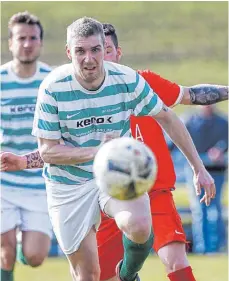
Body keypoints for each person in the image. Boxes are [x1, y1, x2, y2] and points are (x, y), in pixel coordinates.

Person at [0, 21, 227, 281]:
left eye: (100, 50)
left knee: (160, 245)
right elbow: (50, 151)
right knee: (89, 275)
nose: (92, 59)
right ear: (69, 53)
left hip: (140, 184)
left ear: (117, 53)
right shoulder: (54, 87)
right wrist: (26, 160)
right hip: (75, 184)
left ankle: (128, 274)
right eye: (82, 51)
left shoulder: (134, 81)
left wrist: (199, 168)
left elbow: (183, 105)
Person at [0, 11, 52, 281]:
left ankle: (24, 244)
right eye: (21, 38)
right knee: (4, 253)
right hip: (3, 179)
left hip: (39, 181)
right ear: (10, 43)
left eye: (33, 38)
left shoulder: (52, 81)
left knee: (35, 257)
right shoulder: (0, 80)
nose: (28, 43)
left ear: (40, 43)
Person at [183, 105, 228, 254]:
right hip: (195, 171)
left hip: (216, 170)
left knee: (215, 209)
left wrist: (220, 149)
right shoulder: (190, 120)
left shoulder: (223, 122)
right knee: (199, 210)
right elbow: (177, 140)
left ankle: (218, 247)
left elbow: (226, 140)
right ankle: (202, 248)